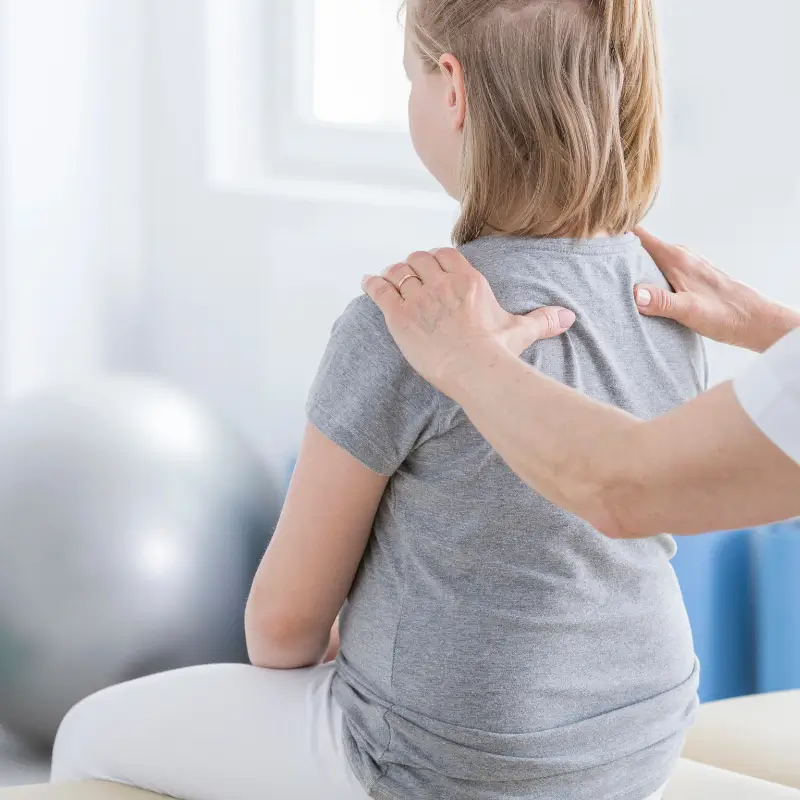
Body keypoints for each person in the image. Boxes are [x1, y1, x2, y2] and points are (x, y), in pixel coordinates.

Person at [53, 2, 696, 800]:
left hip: (445, 760)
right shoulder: (667, 297)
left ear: (451, 88)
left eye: (410, 77)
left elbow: (281, 632)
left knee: (88, 733)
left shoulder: (407, 323)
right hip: (644, 737)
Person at [362, 229, 800, 538]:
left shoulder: (402, 319)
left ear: (456, 99)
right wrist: (772, 327)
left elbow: (623, 489)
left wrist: (464, 356)